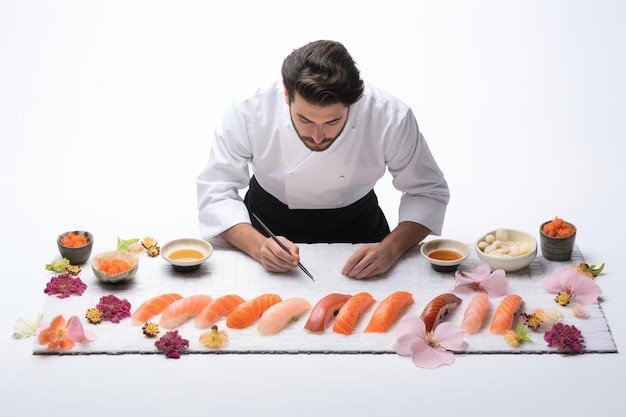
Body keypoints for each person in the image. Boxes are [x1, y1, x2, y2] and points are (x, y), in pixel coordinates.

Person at [197, 40, 449, 279]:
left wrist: (388, 250)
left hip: (359, 228)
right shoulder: (249, 109)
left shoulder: (390, 117)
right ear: (287, 94)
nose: (318, 136)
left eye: (332, 122)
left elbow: (426, 192)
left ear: (354, 103)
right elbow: (216, 191)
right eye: (305, 120)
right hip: (266, 226)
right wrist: (258, 246)